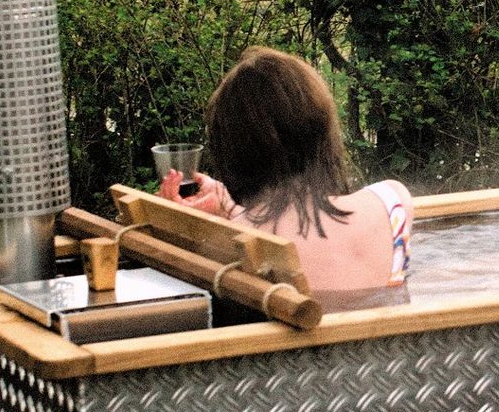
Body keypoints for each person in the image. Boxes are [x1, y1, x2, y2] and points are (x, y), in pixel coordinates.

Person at [159, 45, 411, 293]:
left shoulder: (229, 247)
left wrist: (182, 222)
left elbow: (268, 236)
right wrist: (229, 207)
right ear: (321, 130)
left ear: (234, 153)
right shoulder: (393, 204)